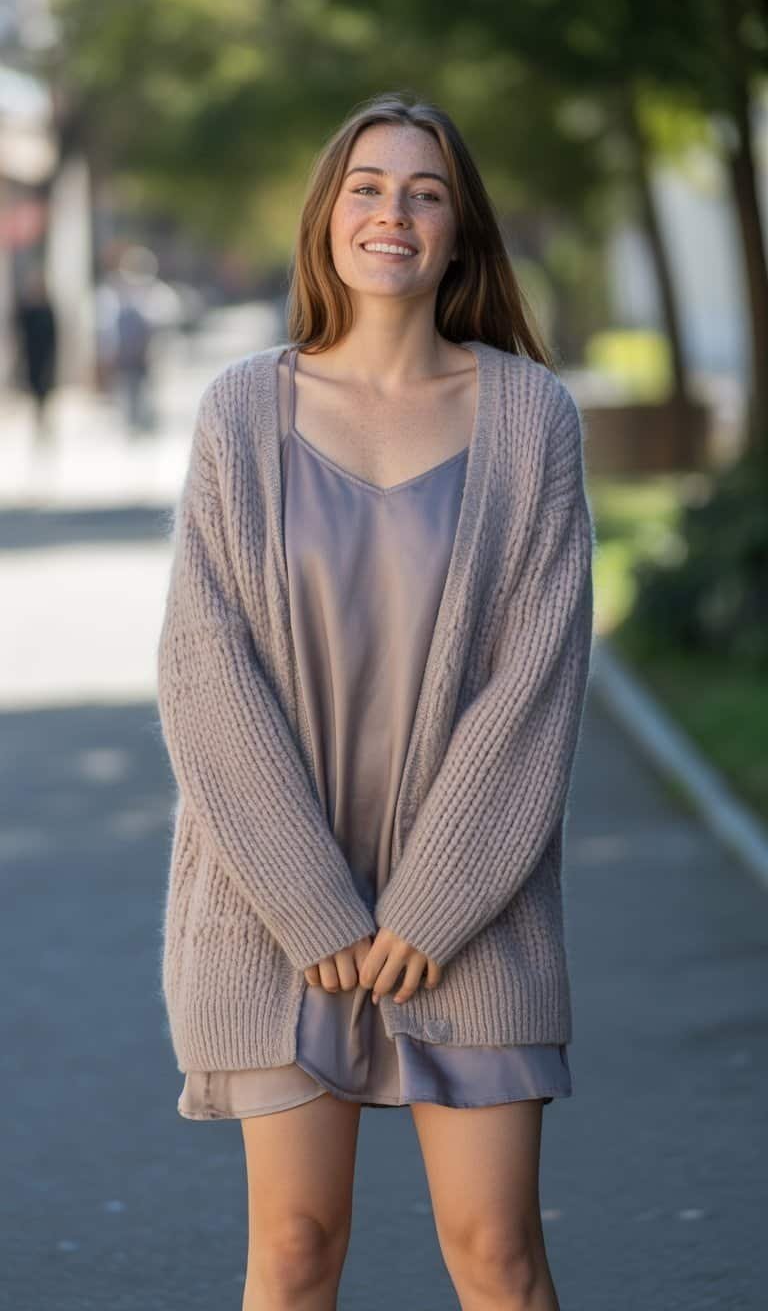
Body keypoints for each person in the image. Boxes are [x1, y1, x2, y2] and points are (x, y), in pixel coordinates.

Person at [156, 92, 595, 1311]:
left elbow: (536, 679)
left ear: (460, 231)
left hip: (476, 909)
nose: (390, 212)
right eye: (366, 186)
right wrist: (319, 910)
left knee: (497, 1256)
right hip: (272, 912)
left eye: (424, 190)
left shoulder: (529, 417)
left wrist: (432, 905)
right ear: (326, 217)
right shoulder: (244, 411)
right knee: (295, 1255)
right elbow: (204, 666)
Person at [13, 267, 57, 441]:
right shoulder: (27, 309)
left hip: (45, 356)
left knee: (43, 389)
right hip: (31, 356)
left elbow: (54, 335)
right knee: (33, 387)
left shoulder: (47, 308)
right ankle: (38, 417)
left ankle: (42, 417)